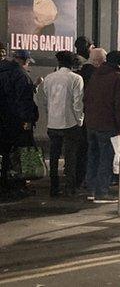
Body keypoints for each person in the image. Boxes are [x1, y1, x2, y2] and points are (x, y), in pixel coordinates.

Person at [34, 50, 84, 197]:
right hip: (70, 123)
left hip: (53, 123)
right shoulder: (76, 78)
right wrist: (79, 120)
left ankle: (53, 187)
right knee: (71, 156)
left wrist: (49, 112)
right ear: (73, 63)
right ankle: (70, 187)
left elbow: (40, 98)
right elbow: (77, 102)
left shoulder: (49, 78)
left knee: (54, 156)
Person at [83, 50, 120, 203]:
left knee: (93, 156)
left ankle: (91, 190)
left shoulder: (95, 75)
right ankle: (102, 192)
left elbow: (87, 98)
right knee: (106, 158)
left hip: (91, 123)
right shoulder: (118, 78)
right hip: (108, 125)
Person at [0, 51, 39, 196]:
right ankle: (19, 184)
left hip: (3, 121)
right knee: (22, 151)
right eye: (28, 62)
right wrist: (28, 120)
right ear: (22, 61)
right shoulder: (21, 75)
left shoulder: (2, 71)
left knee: (4, 153)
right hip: (18, 122)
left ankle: (4, 182)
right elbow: (24, 101)